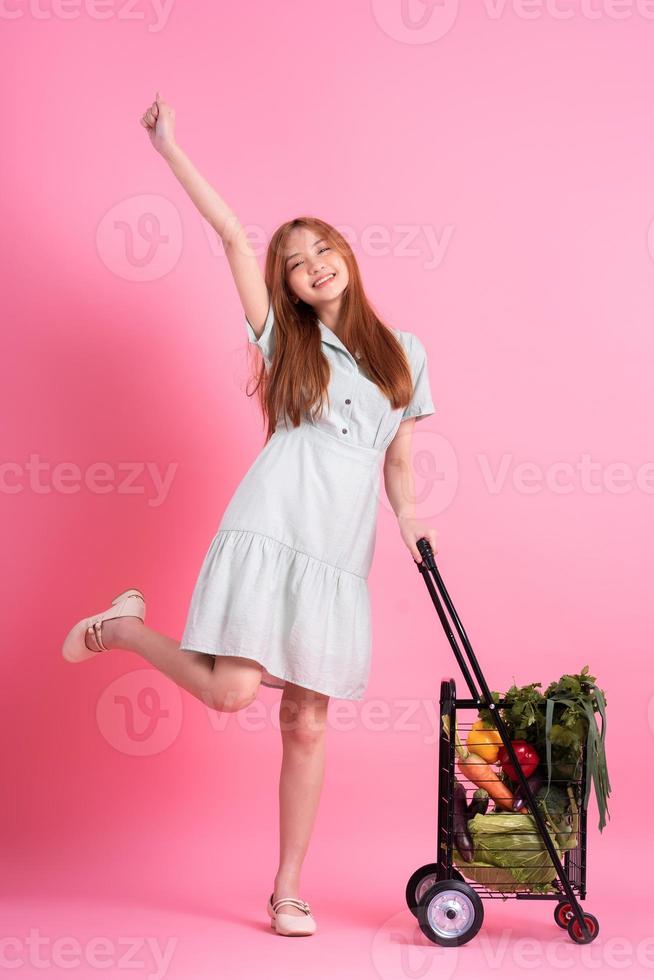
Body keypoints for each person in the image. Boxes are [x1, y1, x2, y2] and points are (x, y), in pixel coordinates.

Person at [62, 92, 439, 937]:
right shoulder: (285, 341)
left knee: (306, 720)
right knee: (234, 694)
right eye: (298, 262)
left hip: (340, 552)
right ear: (289, 287)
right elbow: (234, 234)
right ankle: (125, 630)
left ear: (346, 254)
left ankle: (288, 889)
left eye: (324, 249)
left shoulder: (405, 352)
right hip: (274, 527)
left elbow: (399, 461)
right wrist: (169, 148)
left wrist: (411, 519)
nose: (314, 264)